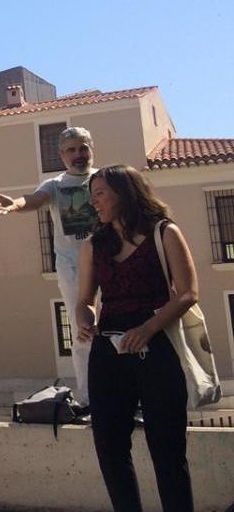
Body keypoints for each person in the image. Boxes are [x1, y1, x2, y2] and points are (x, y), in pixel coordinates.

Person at [76, 165, 197, 512]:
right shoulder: (93, 245)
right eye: (92, 195)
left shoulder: (164, 233)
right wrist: (84, 321)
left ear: (125, 193)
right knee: (110, 448)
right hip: (109, 350)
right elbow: (84, 299)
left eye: (100, 193)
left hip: (157, 346)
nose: (94, 202)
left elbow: (188, 293)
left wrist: (148, 329)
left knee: (168, 450)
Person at [0, 125, 98, 405]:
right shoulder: (55, 185)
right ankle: (89, 398)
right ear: (62, 156)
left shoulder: (105, 179)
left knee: (115, 328)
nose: (78, 154)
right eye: (71, 150)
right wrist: (15, 204)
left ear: (91, 149)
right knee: (82, 329)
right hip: (73, 268)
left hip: (110, 265)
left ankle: (125, 395)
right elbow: (33, 200)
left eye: (82, 148)